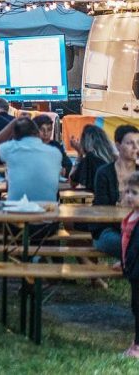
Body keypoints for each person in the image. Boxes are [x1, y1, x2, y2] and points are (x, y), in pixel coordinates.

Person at [92, 125, 139, 259]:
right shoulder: (104, 172)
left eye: (138, 143)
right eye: (130, 143)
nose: (136, 147)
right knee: (131, 244)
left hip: (136, 228)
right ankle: (128, 265)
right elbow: (103, 207)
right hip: (108, 230)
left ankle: (127, 265)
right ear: (118, 146)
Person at [0, 118, 61, 202]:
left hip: (16, 208)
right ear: (37, 133)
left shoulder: (10, 149)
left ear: (14, 136)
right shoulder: (55, 152)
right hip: (48, 209)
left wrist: (14, 122)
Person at [118, 172, 139, 359]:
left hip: (137, 271)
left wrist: (129, 265)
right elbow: (127, 246)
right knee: (135, 306)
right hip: (132, 268)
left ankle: (138, 347)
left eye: (135, 192)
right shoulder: (132, 215)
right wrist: (123, 261)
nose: (129, 196)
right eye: (127, 192)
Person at [70, 124, 116, 191]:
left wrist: (79, 153)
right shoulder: (114, 157)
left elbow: (72, 182)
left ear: (85, 142)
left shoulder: (89, 158)